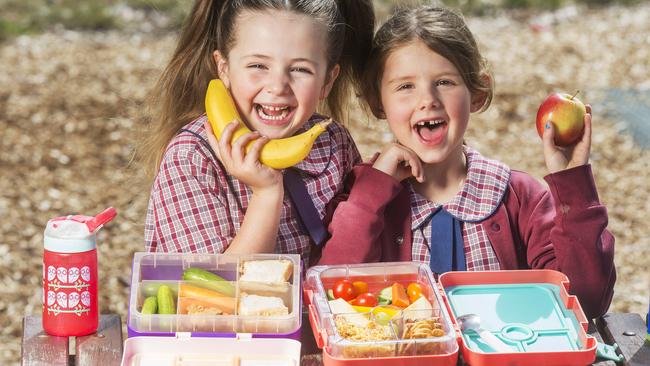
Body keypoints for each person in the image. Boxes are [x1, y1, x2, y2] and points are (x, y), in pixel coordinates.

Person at [314, 5, 615, 318]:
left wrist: (573, 185)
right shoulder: (364, 196)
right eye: (405, 86)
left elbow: (585, 301)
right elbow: (331, 291)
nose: (427, 99)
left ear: (476, 92)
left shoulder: (520, 197)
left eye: (444, 82)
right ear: (379, 103)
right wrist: (372, 190)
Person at [141, 0, 374, 257]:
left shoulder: (334, 143)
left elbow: (360, 249)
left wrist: (381, 181)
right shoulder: (191, 158)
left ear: (327, 81)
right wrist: (266, 194)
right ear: (224, 68)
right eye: (258, 66)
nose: (278, 86)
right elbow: (213, 288)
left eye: (300, 69)